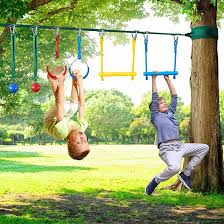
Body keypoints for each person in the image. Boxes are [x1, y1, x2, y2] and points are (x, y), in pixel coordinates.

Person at [145, 75, 209, 195]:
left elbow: (174, 97)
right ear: (155, 108)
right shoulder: (155, 116)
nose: (164, 104)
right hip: (168, 149)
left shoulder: (170, 113)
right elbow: (154, 97)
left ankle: (185, 174)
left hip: (180, 146)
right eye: (161, 103)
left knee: (204, 147)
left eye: (164, 102)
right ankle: (155, 181)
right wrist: (154, 79)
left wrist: (168, 80)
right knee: (174, 168)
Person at [44, 66, 90, 160]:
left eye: (78, 143)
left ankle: (53, 80)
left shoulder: (62, 132)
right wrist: (78, 83)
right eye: (85, 141)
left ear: (68, 142)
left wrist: (61, 81)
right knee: (73, 107)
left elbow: (60, 104)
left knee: (64, 106)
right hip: (65, 118)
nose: (82, 139)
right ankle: (70, 79)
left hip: (50, 120)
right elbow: (81, 105)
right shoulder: (82, 127)